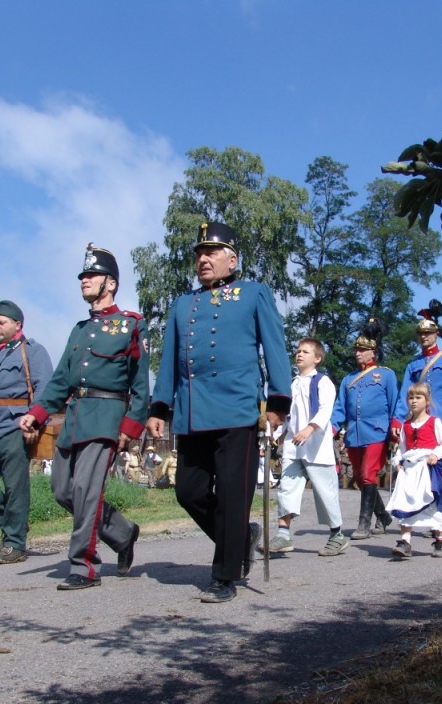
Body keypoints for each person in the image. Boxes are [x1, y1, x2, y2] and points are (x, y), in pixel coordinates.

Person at [146, 222, 292, 604]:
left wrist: (278, 402)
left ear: (232, 259)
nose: (203, 259)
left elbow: (275, 348)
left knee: (232, 496)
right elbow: (168, 364)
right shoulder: (182, 304)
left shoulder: (254, 294)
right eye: (199, 253)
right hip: (194, 412)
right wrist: (160, 406)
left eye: (211, 252)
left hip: (238, 409)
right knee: (189, 492)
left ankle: (224, 574)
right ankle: (241, 538)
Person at [19, 245, 147, 590]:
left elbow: (140, 383)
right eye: (82, 277)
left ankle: (84, 566)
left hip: (106, 418)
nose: (83, 281)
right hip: (74, 418)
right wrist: (37, 413)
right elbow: (61, 380)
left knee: (87, 493)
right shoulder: (79, 330)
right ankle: (122, 532)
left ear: (111, 284)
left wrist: (130, 427)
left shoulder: (131, 325)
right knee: (63, 491)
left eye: (90, 276)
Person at [0, 300, 54, 565]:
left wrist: (35, 422)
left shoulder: (33, 351)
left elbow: (45, 389)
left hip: (15, 426)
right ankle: (14, 526)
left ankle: (14, 544)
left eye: (2, 322)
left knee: (16, 487)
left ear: (18, 324)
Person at [391, 300, 442, 536]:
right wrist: (397, 420)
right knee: (419, 472)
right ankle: (423, 516)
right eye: (421, 333)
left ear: (437, 333)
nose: (424, 337)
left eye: (428, 333)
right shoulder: (413, 363)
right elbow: (406, 391)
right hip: (419, 422)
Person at [267, 338, 350, 557]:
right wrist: (273, 434)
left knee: (325, 492)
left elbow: (325, 411)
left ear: (318, 358)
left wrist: (309, 429)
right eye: (298, 351)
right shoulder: (292, 384)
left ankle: (337, 534)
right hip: (293, 447)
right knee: (286, 488)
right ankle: (283, 534)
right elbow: (286, 416)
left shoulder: (323, 382)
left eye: (305, 351)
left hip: (316, 447)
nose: (299, 354)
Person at [330, 318, 397, 539]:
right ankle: (384, 516)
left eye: (362, 349)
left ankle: (363, 525)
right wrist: (332, 427)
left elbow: (395, 404)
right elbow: (340, 407)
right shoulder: (348, 378)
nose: (357, 353)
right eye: (356, 349)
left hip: (377, 432)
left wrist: (395, 429)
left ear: (373, 352)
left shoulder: (386, 374)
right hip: (354, 434)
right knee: (359, 478)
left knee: (368, 475)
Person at [387, 382, 442, 558]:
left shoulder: (434, 422)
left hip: (427, 469)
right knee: (405, 502)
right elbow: (401, 447)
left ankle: (440, 540)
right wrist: (397, 461)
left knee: (431, 502)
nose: (414, 401)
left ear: (427, 401)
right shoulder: (406, 425)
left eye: (418, 397)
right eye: (411, 398)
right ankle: (405, 541)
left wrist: (436, 454)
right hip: (410, 470)